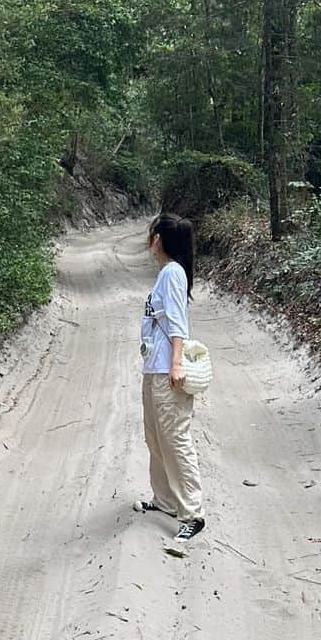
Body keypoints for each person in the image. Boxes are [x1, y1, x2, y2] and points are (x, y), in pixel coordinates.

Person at [134, 213, 206, 541]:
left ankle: (192, 511)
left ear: (159, 239)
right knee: (154, 437)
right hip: (154, 368)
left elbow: (178, 322)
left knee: (175, 438)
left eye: (151, 233)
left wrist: (176, 364)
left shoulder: (173, 273)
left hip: (167, 370)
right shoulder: (166, 274)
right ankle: (163, 499)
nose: (148, 238)